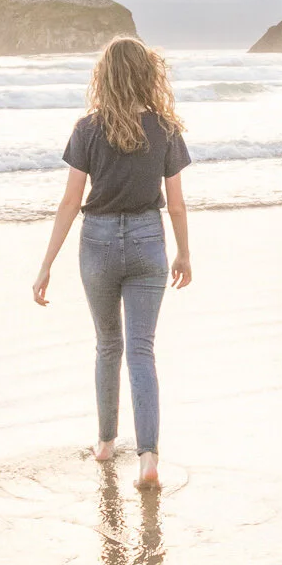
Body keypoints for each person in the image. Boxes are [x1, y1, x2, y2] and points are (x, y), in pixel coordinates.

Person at [32, 37, 193, 490]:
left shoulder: (87, 129)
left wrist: (46, 263)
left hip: (98, 241)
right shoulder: (164, 128)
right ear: (147, 74)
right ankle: (148, 458)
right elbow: (177, 206)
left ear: (103, 76)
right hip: (148, 239)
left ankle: (105, 443)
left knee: (108, 345)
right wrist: (183, 251)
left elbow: (70, 201)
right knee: (142, 350)